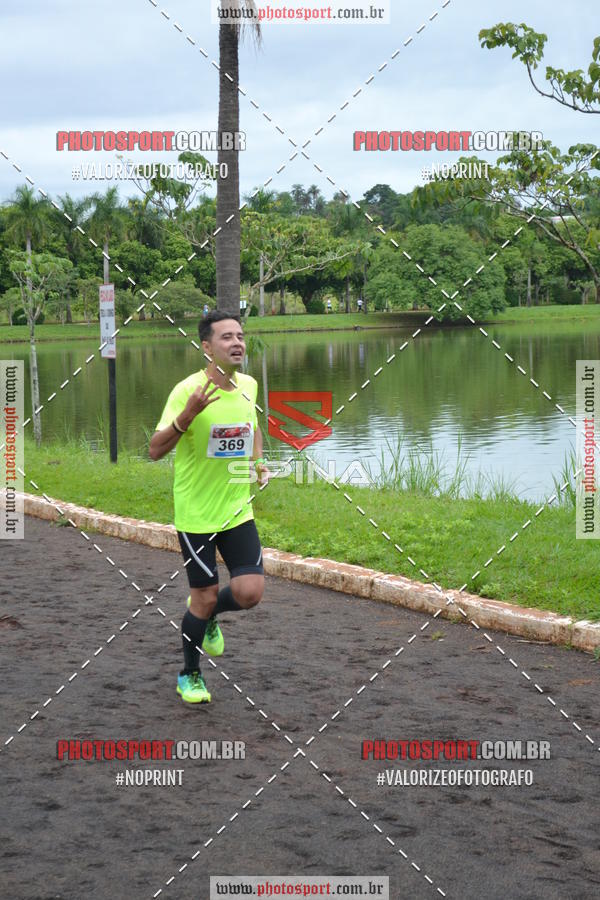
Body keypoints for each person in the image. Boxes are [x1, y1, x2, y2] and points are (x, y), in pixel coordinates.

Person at [149, 310, 269, 704]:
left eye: (240, 336)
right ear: (206, 347)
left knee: (250, 591)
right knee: (201, 597)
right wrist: (188, 416)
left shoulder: (249, 384)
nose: (237, 343)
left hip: (236, 509)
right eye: (226, 338)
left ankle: (211, 611)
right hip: (196, 514)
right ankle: (190, 674)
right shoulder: (187, 390)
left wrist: (257, 462)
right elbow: (154, 450)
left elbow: (253, 428)